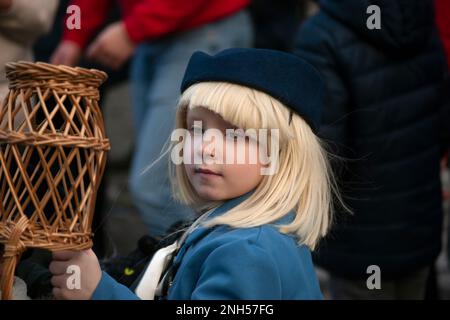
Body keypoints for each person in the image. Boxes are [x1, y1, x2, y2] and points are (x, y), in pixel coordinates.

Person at [46, 48, 343, 300]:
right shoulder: (237, 230)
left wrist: (98, 290)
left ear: (282, 153)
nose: (205, 148)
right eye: (196, 129)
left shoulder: (248, 252)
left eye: (235, 135)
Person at [50, 0, 253, 237]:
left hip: (201, 29)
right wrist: (74, 35)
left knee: (155, 187)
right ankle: (188, 262)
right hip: (149, 40)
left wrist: (132, 30)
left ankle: (201, 261)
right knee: (172, 184)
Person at [295, 0, 449, 299]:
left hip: (360, 239)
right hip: (419, 224)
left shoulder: (322, 34)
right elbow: (440, 118)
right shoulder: (422, 15)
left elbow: (324, 152)